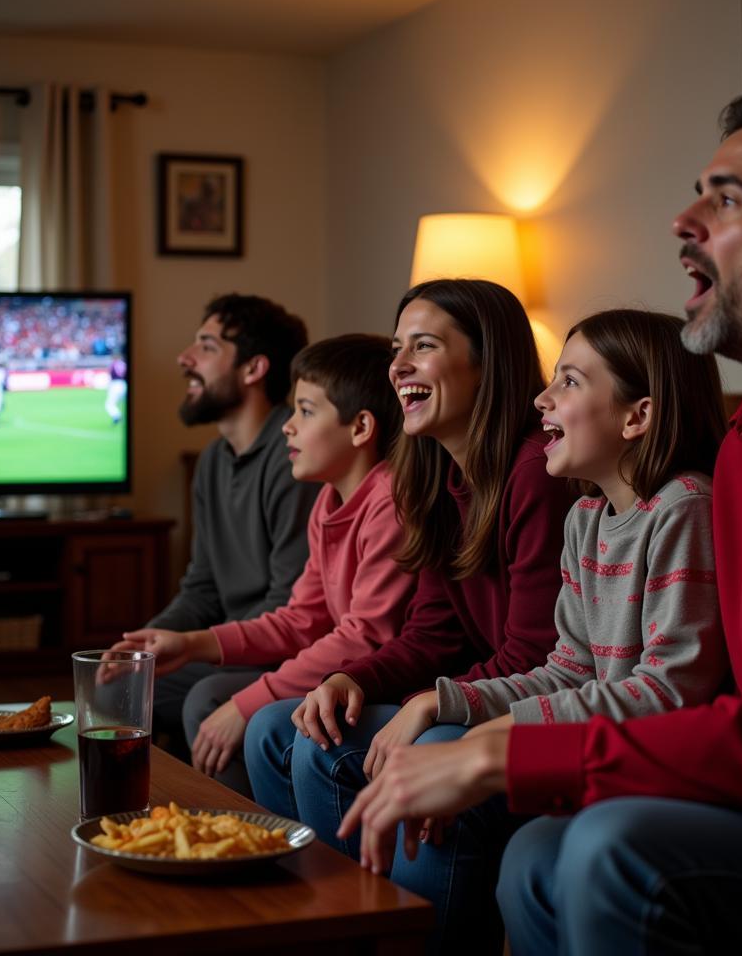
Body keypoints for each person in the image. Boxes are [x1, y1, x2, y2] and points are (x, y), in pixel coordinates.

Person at [337, 93, 742, 954]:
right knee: (537, 855)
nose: (684, 218)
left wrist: (493, 752)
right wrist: (463, 720)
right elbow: (593, 668)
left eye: (727, 198)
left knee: (606, 848)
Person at [245, 279, 570, 946]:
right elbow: (430, 633)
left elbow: (537, 657)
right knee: (285, 729)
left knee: (406, 746)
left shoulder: (536, 471)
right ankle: (331, 928)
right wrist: (354, 680)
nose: (397, 367)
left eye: (424, 347)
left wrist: (432, 703)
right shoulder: (431, 474)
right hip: (475, 693)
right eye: (397, 348)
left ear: (490, 363)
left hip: (530, 709)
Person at [113, 334, 415, 796]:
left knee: (223, 706)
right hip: (348, 675)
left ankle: (264, 841)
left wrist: (250, 701)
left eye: (306, 412)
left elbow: (364, 636)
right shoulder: (329, 501)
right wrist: (193, 643)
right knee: (205, 699)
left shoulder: (390, 503)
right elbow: (302, 620)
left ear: (360, 428)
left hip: (382, 684)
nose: (287, 427)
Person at [113, 294, 320, 762]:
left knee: (195, 695)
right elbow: (202, 587)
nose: (185, 358)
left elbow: (292, 607)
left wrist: (198, 647)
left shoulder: (296, 460)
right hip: (228, 645)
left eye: (206, 346)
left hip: (276, 653)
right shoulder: (211, 461)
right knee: (119, 686)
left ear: (253, 369)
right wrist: (143, 646)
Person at [105, 353, 127, 424]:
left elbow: (110, 375)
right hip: (124, 384)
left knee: (109, 404)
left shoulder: (113, 364)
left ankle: (117, 416)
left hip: (115, 384)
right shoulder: (124, 364)